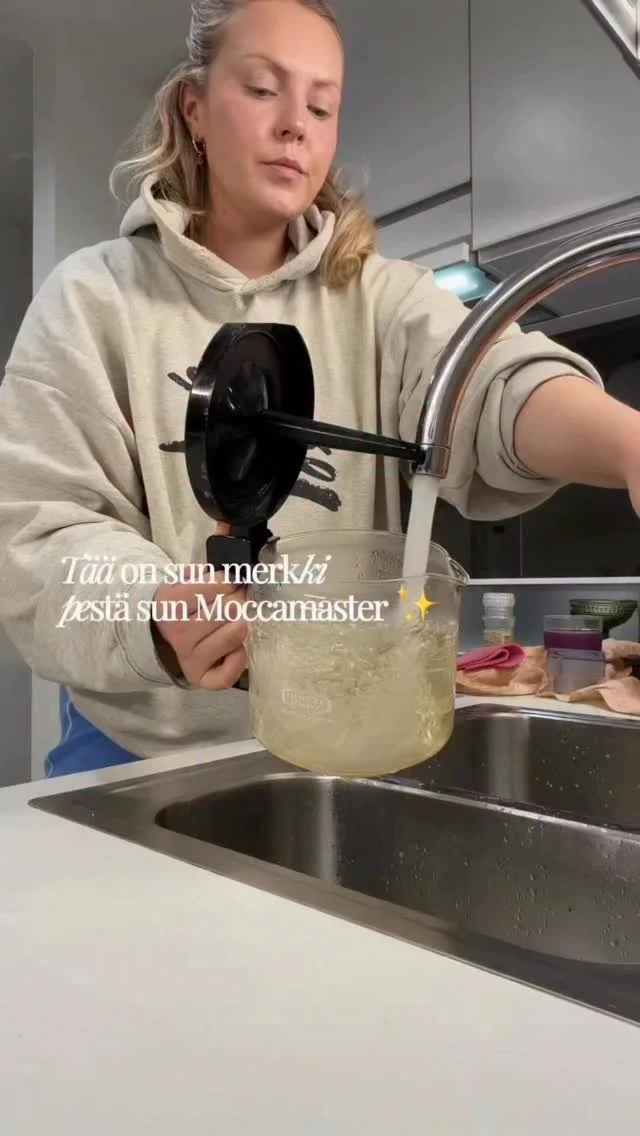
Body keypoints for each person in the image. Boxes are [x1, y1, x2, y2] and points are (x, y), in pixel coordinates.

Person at [1, 0, 640, 777]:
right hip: (135, 753)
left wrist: (627, 444)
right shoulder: (92, 300)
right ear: (194, 108)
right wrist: (154, 604)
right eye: (263, 89)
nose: (294, 126)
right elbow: (36, 536)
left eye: (322, 104)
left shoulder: (380, 297)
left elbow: (491, 387)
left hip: (339, 740)